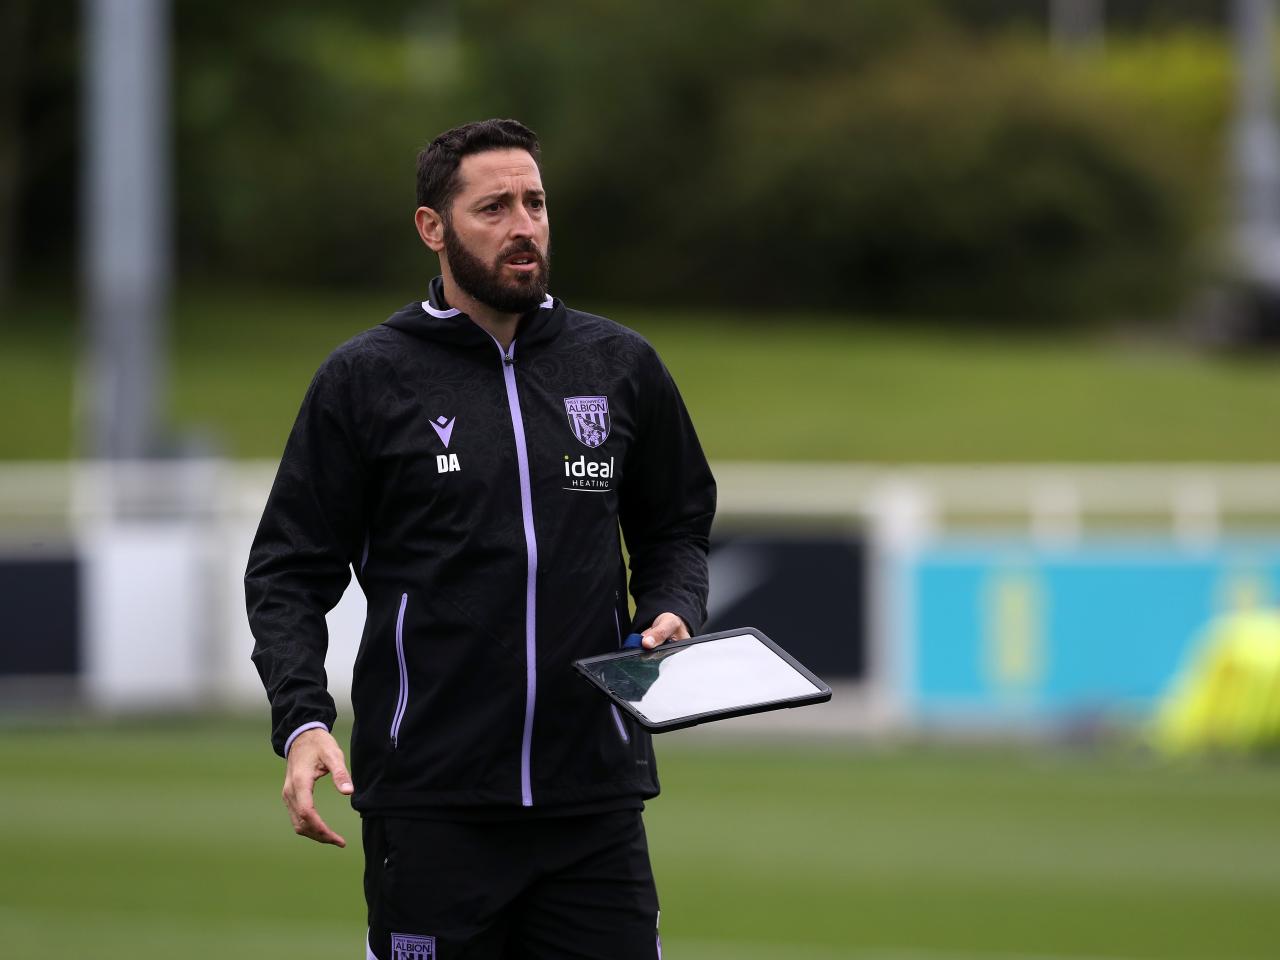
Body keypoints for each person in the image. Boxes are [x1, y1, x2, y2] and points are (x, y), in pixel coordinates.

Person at [245, 118, 716, 960]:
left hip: (593, 805)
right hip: (430, 806)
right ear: (434, 228)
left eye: (535, 203)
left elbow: (676, 524)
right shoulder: (364, 379)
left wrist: (674, 605)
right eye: (494, 207)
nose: (523, 225)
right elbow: (287, 569)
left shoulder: (620, 365)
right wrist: (302, 718)